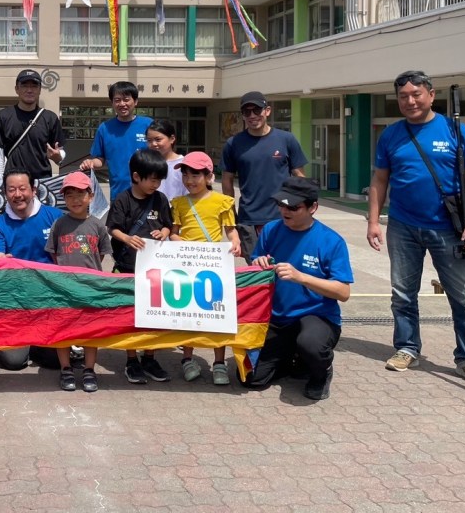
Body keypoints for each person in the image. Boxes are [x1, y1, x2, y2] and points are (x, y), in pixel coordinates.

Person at [366, 70, 465, 387]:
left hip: (449, 229)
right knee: (402, 294)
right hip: (403, 226)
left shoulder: (455, 130)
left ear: (431, 95)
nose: (410, 101)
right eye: (403, 96)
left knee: (463, 298)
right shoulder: (391, 135)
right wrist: (373, 221)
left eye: (416, 94)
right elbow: (380, 180)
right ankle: (407, 347)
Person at [246, 177, 353, 401]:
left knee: (310, 344)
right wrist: (258, 263)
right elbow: (256, 264)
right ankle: (291, 359)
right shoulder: (270, 230)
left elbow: (343, 293)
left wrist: (301, 277)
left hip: (316, 315)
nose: (285, 211)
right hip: (278, 317)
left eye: (293, 207)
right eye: (281, 204)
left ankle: (320, 373)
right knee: (251, 378)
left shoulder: (331, 241)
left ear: (313, 208)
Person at [169, 152, 241, 385]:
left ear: (209, 176)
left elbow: (230, 230)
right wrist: (180, 243)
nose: (189, 180)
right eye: (185, 175)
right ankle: (187, 358)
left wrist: (235, 242)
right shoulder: (179, 203)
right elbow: (174, 233)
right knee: (188, 313)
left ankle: (219, 362)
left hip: (214, 266)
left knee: (217, 313)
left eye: (195, 175)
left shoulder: (222, 201)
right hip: (187, 265)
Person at [105, 149, 173, 385]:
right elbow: (112, 228)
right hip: (128, 267)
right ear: (136, 176)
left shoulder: (160, 199)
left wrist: (163, 232)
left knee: (153, 315)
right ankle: (132, 359)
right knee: (131, 315)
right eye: (152, 179)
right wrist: (127, 238)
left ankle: (150, 358)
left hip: (154, 269)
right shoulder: (122, 199)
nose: (156, 184)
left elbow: (168, 224)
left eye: (159, 180)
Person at [0, 168, 65, 369]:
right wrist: (0, 261)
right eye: (11, 189)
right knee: (13, 362)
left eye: (22, 188)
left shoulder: (55, 217)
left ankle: (38, 342)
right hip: (16, 299)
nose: (17, 194)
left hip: (49, 298)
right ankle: (11, 342)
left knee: (56, 361)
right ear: (5, 193)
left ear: (34, 190)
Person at [45, 171, 114, 393]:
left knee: (90, 330)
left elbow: (99, 255)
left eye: (80, 194)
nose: (75, 200)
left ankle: (89, 369)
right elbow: (54, 253)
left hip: (91, 288)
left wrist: (89, 274)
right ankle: (65, 369)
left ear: (91, 196)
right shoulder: (59, 224)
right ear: (64, 198)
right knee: (63, 328)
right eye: (70, 195)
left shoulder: (98, 226)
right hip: (64, 288)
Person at [221, 91, 308, 257]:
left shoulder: (286, 139)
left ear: (267, 111)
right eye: (247, 112)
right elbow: (227, 182)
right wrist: (231, 219)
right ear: (242, 115)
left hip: (283, 216)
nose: (252, 116)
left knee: (282, 264)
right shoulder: (233, 144)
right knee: (256, 267)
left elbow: (300, 177)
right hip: (249, 220)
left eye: (257, 110)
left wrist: (304, 209)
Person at [80, 81, 152, 201]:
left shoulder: (148, 124)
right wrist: (90, 163)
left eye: (126, 99)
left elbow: (159, 153)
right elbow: (100, 159)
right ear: (112, 103)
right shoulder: (105, 128)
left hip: (147, 192)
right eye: (117, 100)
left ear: (135, 101)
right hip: (118, 193)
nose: (122, 104)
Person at [0, 69, 67, 179]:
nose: (29, 90)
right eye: (24, 86)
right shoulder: (3, 117)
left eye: (34, 86)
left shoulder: (50, 118)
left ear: (40, 90)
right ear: (17, 89)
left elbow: (60, 151)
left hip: (41, 181)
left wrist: (58, 157)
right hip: (13, 181)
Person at [146, 119, 185, 200]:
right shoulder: (146, 164)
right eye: (149, 140)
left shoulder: (184, 164)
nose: (153, 144)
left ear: (172, 139)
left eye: (158, 139)